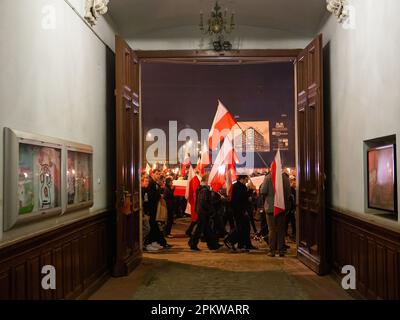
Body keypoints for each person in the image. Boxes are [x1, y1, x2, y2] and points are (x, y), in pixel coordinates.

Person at [261, 169, 290, 257]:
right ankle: (281, 250)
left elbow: (263, 191)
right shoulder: (284, 178)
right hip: (281, 207)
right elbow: (288, 192)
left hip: (270, 208)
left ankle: (272, 250)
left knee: (272, 230)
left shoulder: (268, 177)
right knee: (281, 230)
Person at [188, 174, 220, 251]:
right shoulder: (205, 190)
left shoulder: (203, 189)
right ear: (206, 180)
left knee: (206, 229)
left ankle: (212, 245)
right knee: (200, 229)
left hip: (202, 211)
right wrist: (211, 209)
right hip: (203, 212)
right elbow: (204, 202)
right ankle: (193, 244)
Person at [224, 175, 251, 252]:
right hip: (238, 210)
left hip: (243, 210)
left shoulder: (242, 186)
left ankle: (241, 245)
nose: (247, 180)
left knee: (244, 228)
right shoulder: (236, 186)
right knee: (240, 228)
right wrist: (250, 191)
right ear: (241, 179)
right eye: (246, 179)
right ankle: (229, 240)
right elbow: (242, 197)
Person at [147, 169, 171, 249]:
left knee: (155, 226)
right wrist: (159, 196)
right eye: (156, 174)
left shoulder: (155, 184)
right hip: (152, 208)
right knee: (152, 226)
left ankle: (155, 242)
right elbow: (151, 196)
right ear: (152, 174)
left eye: (158, 174)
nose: (158, 175)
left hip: (155, 208)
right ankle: (150, 243)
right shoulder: (151, 183)